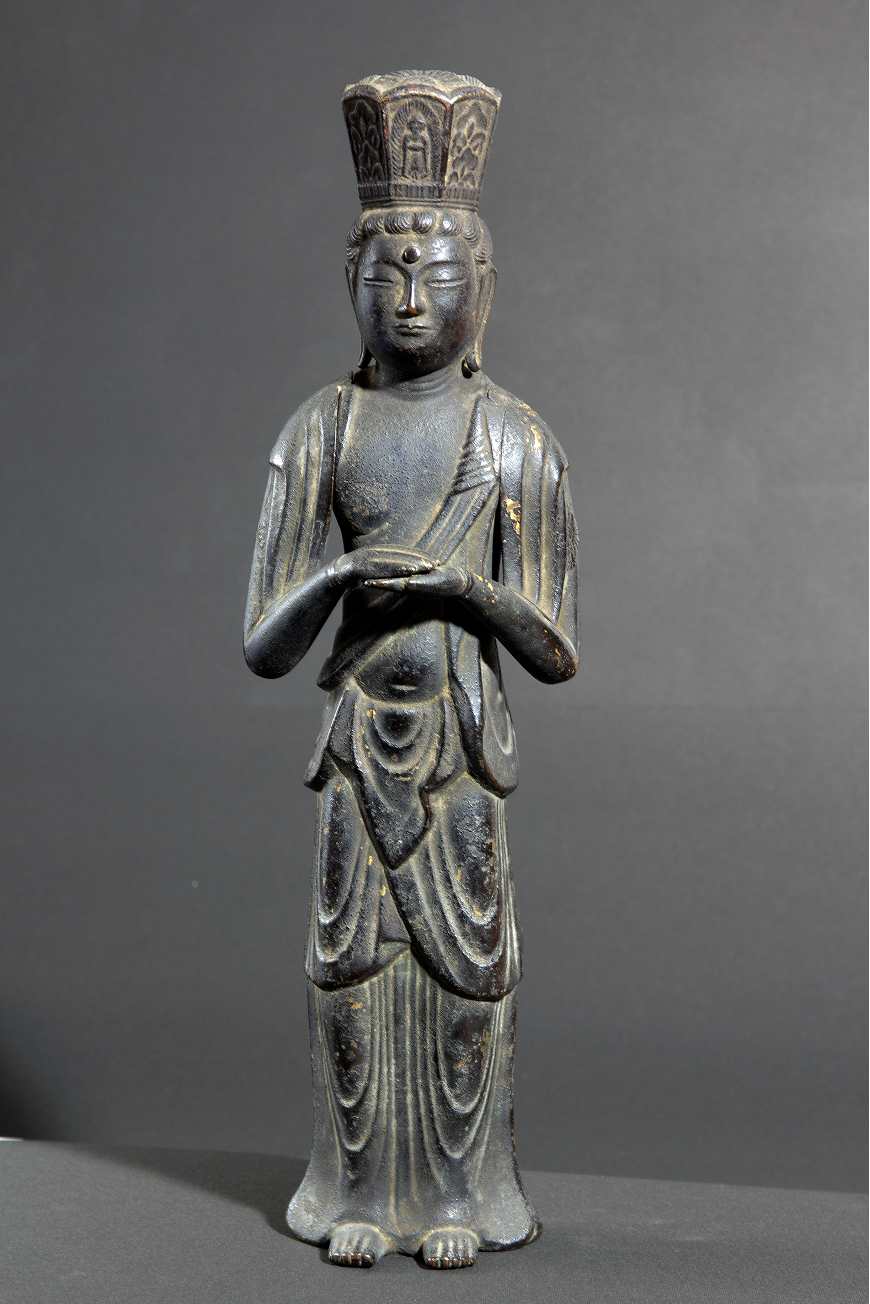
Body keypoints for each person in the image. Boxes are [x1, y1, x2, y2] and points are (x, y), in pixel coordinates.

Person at [244, 72, 578, 1270]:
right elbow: (264, 639)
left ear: (482, 284)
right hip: (356, 744)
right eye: (386, 272)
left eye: (435, 272)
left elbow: (556, 647)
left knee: (463, 980)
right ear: (351, 282)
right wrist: (340, 575)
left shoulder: (516, 439)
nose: (409, 295)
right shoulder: (319, 431)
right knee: (350, 971)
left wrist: (465, 591)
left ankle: (458, 1194)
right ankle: (352, 1186)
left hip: (459, 747)